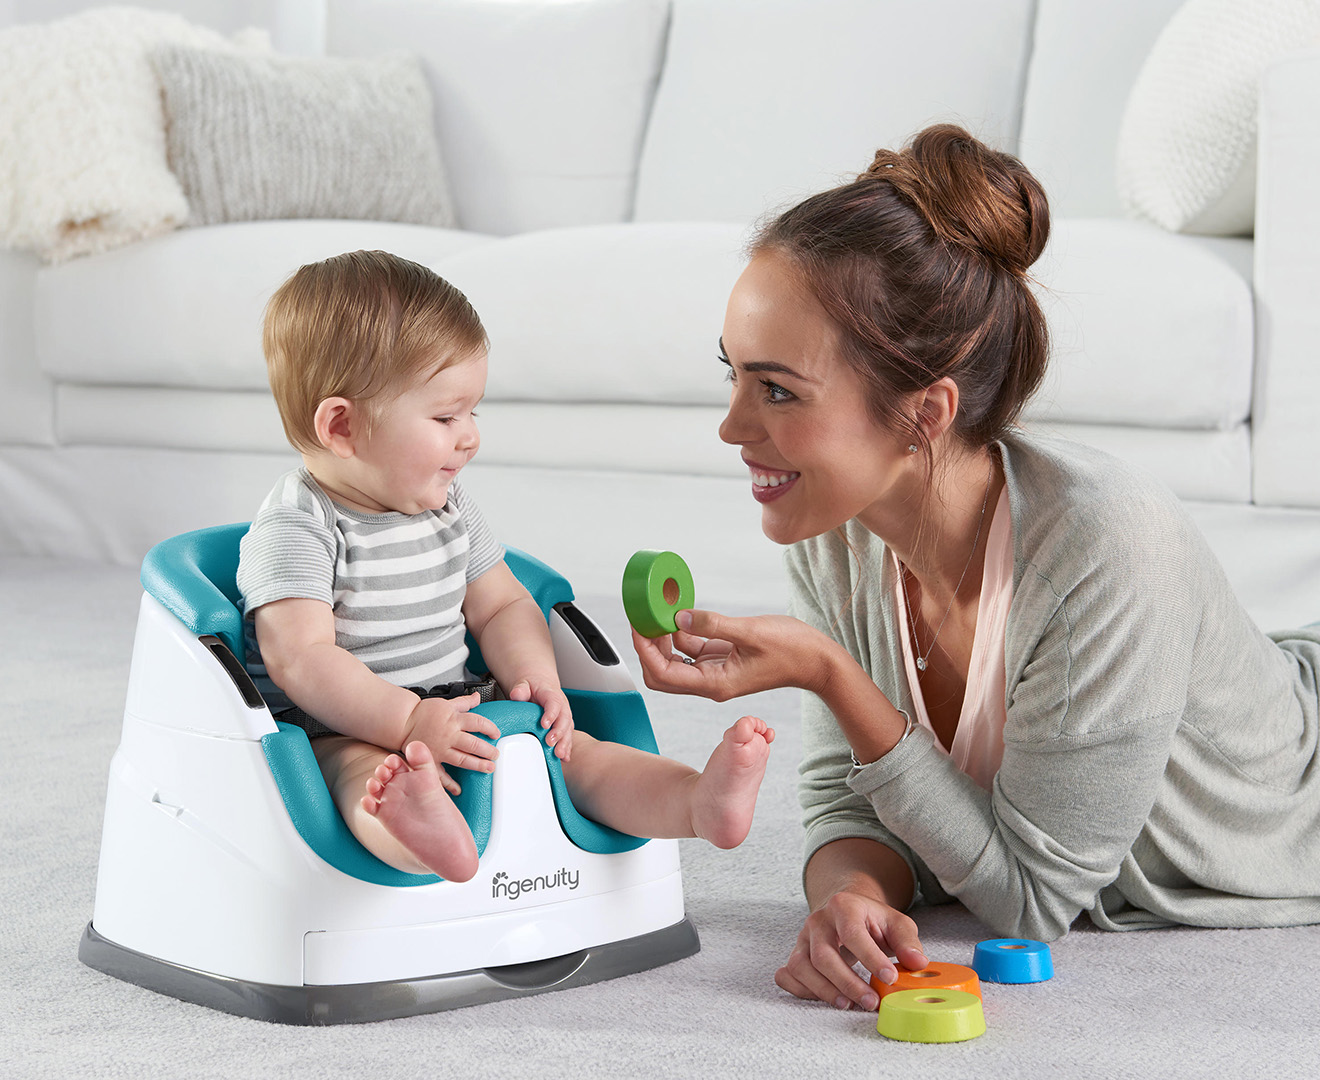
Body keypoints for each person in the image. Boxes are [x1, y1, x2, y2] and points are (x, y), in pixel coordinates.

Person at [631, 124, 1320, 1013]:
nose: (731, 426)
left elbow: (1029, 901)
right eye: (732, 376)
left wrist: (831, 673)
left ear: (925, 412)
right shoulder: (834, 527)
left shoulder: (1105, 545)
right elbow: (851, 806)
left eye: (777, 389)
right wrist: (852, 897)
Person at [237, 249, 774, 884]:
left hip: (465, 708)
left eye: (473, 411)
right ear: (343, 426)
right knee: (356, 779)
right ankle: (420, 831)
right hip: (345, 726)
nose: (470, 436)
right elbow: (301, 659)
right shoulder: (297, 527)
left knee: (582, 757)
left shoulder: (448, 507)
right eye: (445, 416)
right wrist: (405, 722)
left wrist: (533, 676)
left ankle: (694, 801)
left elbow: (502, 604)